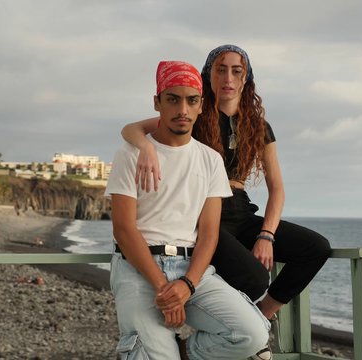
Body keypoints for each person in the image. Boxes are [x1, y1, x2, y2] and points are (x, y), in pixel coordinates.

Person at [122, 45, 333, 359]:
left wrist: (266, 236)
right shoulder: (194, 111)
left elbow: (277, 190)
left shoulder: (258, 126)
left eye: (237, 70)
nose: (228, 76)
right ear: (209, 74)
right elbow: (131, 129)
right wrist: (148, 149)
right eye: (221, 68)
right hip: (203, 214)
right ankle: (219, 329)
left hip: (241, 210)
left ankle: (262, 315)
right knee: (253, 276)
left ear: (246, 77)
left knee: (316, 248)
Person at [107, 60, 269, 359]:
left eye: (191, 100)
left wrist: (187, 285)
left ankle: (185, 350)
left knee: (252, 334)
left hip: (191, 270)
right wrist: (163, 288)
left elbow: (209, 232)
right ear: (157, 103)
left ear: (201, 106)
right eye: (173, 99)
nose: (182, 109)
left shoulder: (210, 160)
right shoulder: (130, 153)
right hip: (138, 269)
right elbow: (124, 229)